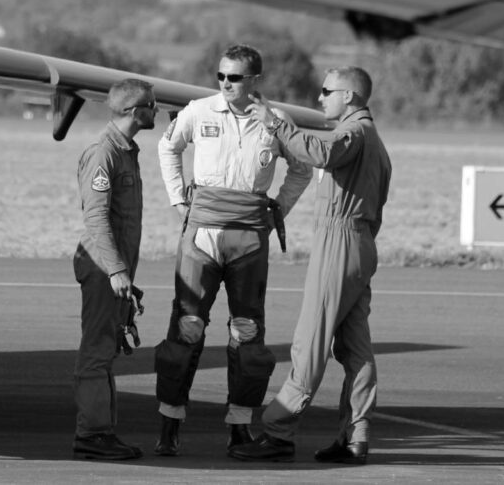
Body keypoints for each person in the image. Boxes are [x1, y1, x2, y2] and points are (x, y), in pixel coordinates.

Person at [153, 44, 312, 458]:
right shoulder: (199, 110)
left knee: (247, 332)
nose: (226, 83)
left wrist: (280, 206)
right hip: (201, 233)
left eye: (235, 77)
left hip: (250, 237)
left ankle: (240, 426)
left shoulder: (277, 122)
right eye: (221, 76)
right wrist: (177, 201)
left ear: (254, 81)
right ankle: (169, 422)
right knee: (187, 327)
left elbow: (302, 167)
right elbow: (167, 147)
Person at [231, 66, 392, 465]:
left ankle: (278, 431)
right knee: (355, 348)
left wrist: (276, 125)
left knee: (310, 342)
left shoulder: (352, 134)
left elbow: (322, 152)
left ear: (350, 96)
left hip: (340, 243)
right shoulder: (373, 141)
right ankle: (356, 435)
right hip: (359, 243)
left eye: (326, 91)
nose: (319, 98)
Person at [72, 78, 158, 461]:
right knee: (96, 351)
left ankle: (101, 431)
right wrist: (117, 270)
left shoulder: (126, 152)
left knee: (107, 349)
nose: (157, 111)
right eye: (152, 106)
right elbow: (96, 218)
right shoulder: (104, 154)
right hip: (102, 267)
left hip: (114, 269)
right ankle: (91, 434)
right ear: (137, 111)